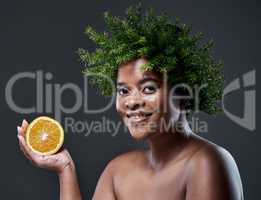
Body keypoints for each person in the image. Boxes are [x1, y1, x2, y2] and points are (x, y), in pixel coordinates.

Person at [17, 4, 244, 200]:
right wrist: (65, 168)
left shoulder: (206, 162)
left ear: (184, 93)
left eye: (148, 88)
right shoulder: (118, 171)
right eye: (124, 90)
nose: (132, 102)